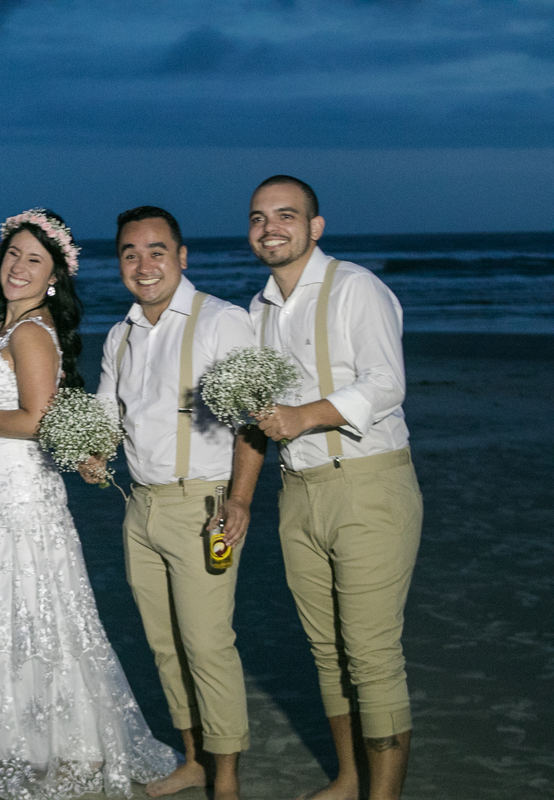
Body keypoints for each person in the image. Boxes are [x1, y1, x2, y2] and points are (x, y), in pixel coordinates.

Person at [0, 208, 181, 800]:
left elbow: (37, 420)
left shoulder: (29, 332)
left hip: (18, 496)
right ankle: (6, 739)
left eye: (34, 260)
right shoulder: (8, 327)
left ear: (53, 278)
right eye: (13, 255)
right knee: (2, 613)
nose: (18, 267)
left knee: (28, 612)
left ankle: (51, 743)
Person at [246, 176, 422, 800]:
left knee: (372, 656)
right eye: (260, 218)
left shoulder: (357, 288)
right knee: (327, 653)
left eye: (286, 215)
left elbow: (386, 384)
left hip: (368, 486)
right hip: (298, 493)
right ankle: (348, 779)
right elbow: (257, 415)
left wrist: (305, 415)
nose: (271, 228)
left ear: (315, 227)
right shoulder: (257, 311)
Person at [86, 207, 260, 800]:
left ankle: (227, 779)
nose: (144, 264)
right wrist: (92, 451)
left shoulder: (222, 322)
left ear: (182, 257)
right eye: (131, 254)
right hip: (141, 509)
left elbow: (253, 422)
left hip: (203, 508)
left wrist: (239, 501)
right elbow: (110, 416)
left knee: (209, 645)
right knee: (164, 646)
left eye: (157, 250)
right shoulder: (121, 335)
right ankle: (193, 761)